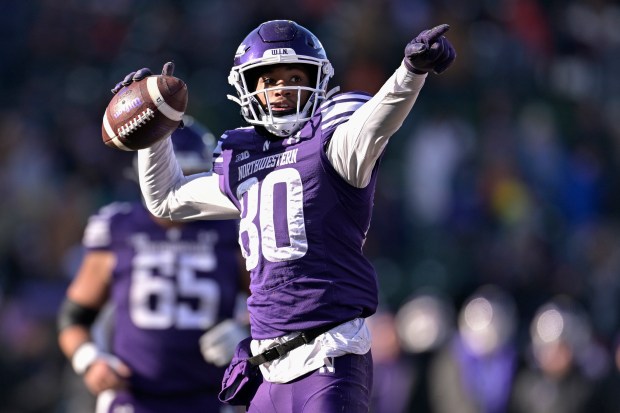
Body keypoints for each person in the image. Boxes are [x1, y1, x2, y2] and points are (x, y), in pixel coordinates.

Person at [116, 19, 455, 412]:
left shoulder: (334, 144)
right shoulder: (244, 160)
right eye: (268, 79)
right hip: (267, 368)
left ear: (317, 80)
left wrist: (410, 72)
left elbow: (377, 122)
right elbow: (167, 199)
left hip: (330, 354)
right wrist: (154, 133)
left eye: (295, 75)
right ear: (248, 86)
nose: (281, 88)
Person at [57, 117, 250, 413]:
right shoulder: (119, 228)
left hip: (211, 397)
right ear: (144, 175)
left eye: (189, 175)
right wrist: (90, 361)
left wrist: (246, 334)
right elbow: (74, 318)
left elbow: (275, 306)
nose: (178, 185)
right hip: (133, 397)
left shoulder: (230, 229)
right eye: (170, 174)